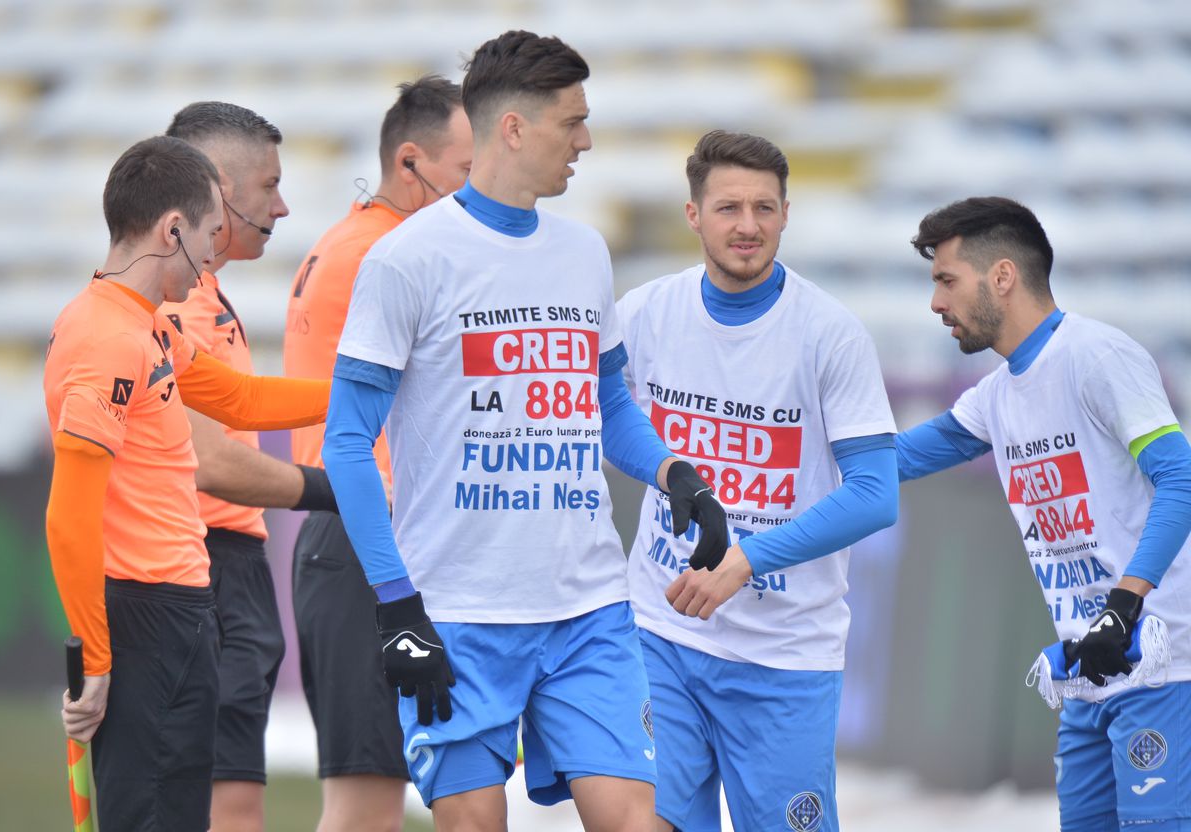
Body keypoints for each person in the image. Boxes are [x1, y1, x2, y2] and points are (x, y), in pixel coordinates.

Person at [321, 30, 728, 832]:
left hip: (588, 607)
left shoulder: (583, 252)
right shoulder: (406, 260)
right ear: (512, 128)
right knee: (474, 823)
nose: (585, 140)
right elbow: (345, 441)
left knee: (637, 823)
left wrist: (677, 475)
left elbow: (609, 408)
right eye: (571, 122)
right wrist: (397, 606)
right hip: (458, 612)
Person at [44, 135, 330, 832]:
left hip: (184, 609)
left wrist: (371, 386)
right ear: (173, 227)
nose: (211, 257)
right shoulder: (103, 337)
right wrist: (97, 657)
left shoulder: (146, 328)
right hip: (143, 618)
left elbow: (241, 400)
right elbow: (68, 516)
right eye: (208, 235)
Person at [616, 130, 899, 832]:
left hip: (784, 656)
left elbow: (875, 493)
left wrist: (745, 561)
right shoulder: (646, 312)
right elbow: (604, 417)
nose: (748, 226)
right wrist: (669, 470)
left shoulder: (831, 334)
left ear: (786, 213)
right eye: (729, 208)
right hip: (660, 631)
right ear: (693, 215)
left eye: (765, 209)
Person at [895, 196, 1191, 831]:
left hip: (1166, 666)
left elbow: (1181, 479)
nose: (936, 303)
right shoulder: (995, 397)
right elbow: (890, 461)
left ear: (1002, 276)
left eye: (947, 281)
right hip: (1090, 668)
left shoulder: (1098, 357)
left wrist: (1125, 604)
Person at [284, 76, 472, 832]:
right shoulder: (389, 254)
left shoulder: (356, 240)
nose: (476, 191)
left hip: (356, 531)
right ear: (410, 163)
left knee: (380, 797)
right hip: (370, 532)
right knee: (366, 806)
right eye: (465, 172)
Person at [159, 101, 337, 832]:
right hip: (202, 569)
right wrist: (337, 491)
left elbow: (245, 398)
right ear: (218, 191)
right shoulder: (178, 306)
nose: (282, 204)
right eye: (269, 186)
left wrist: (363, 395)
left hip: (221, 568)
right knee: (218, 807)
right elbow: (206, 460)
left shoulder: (199, 295)